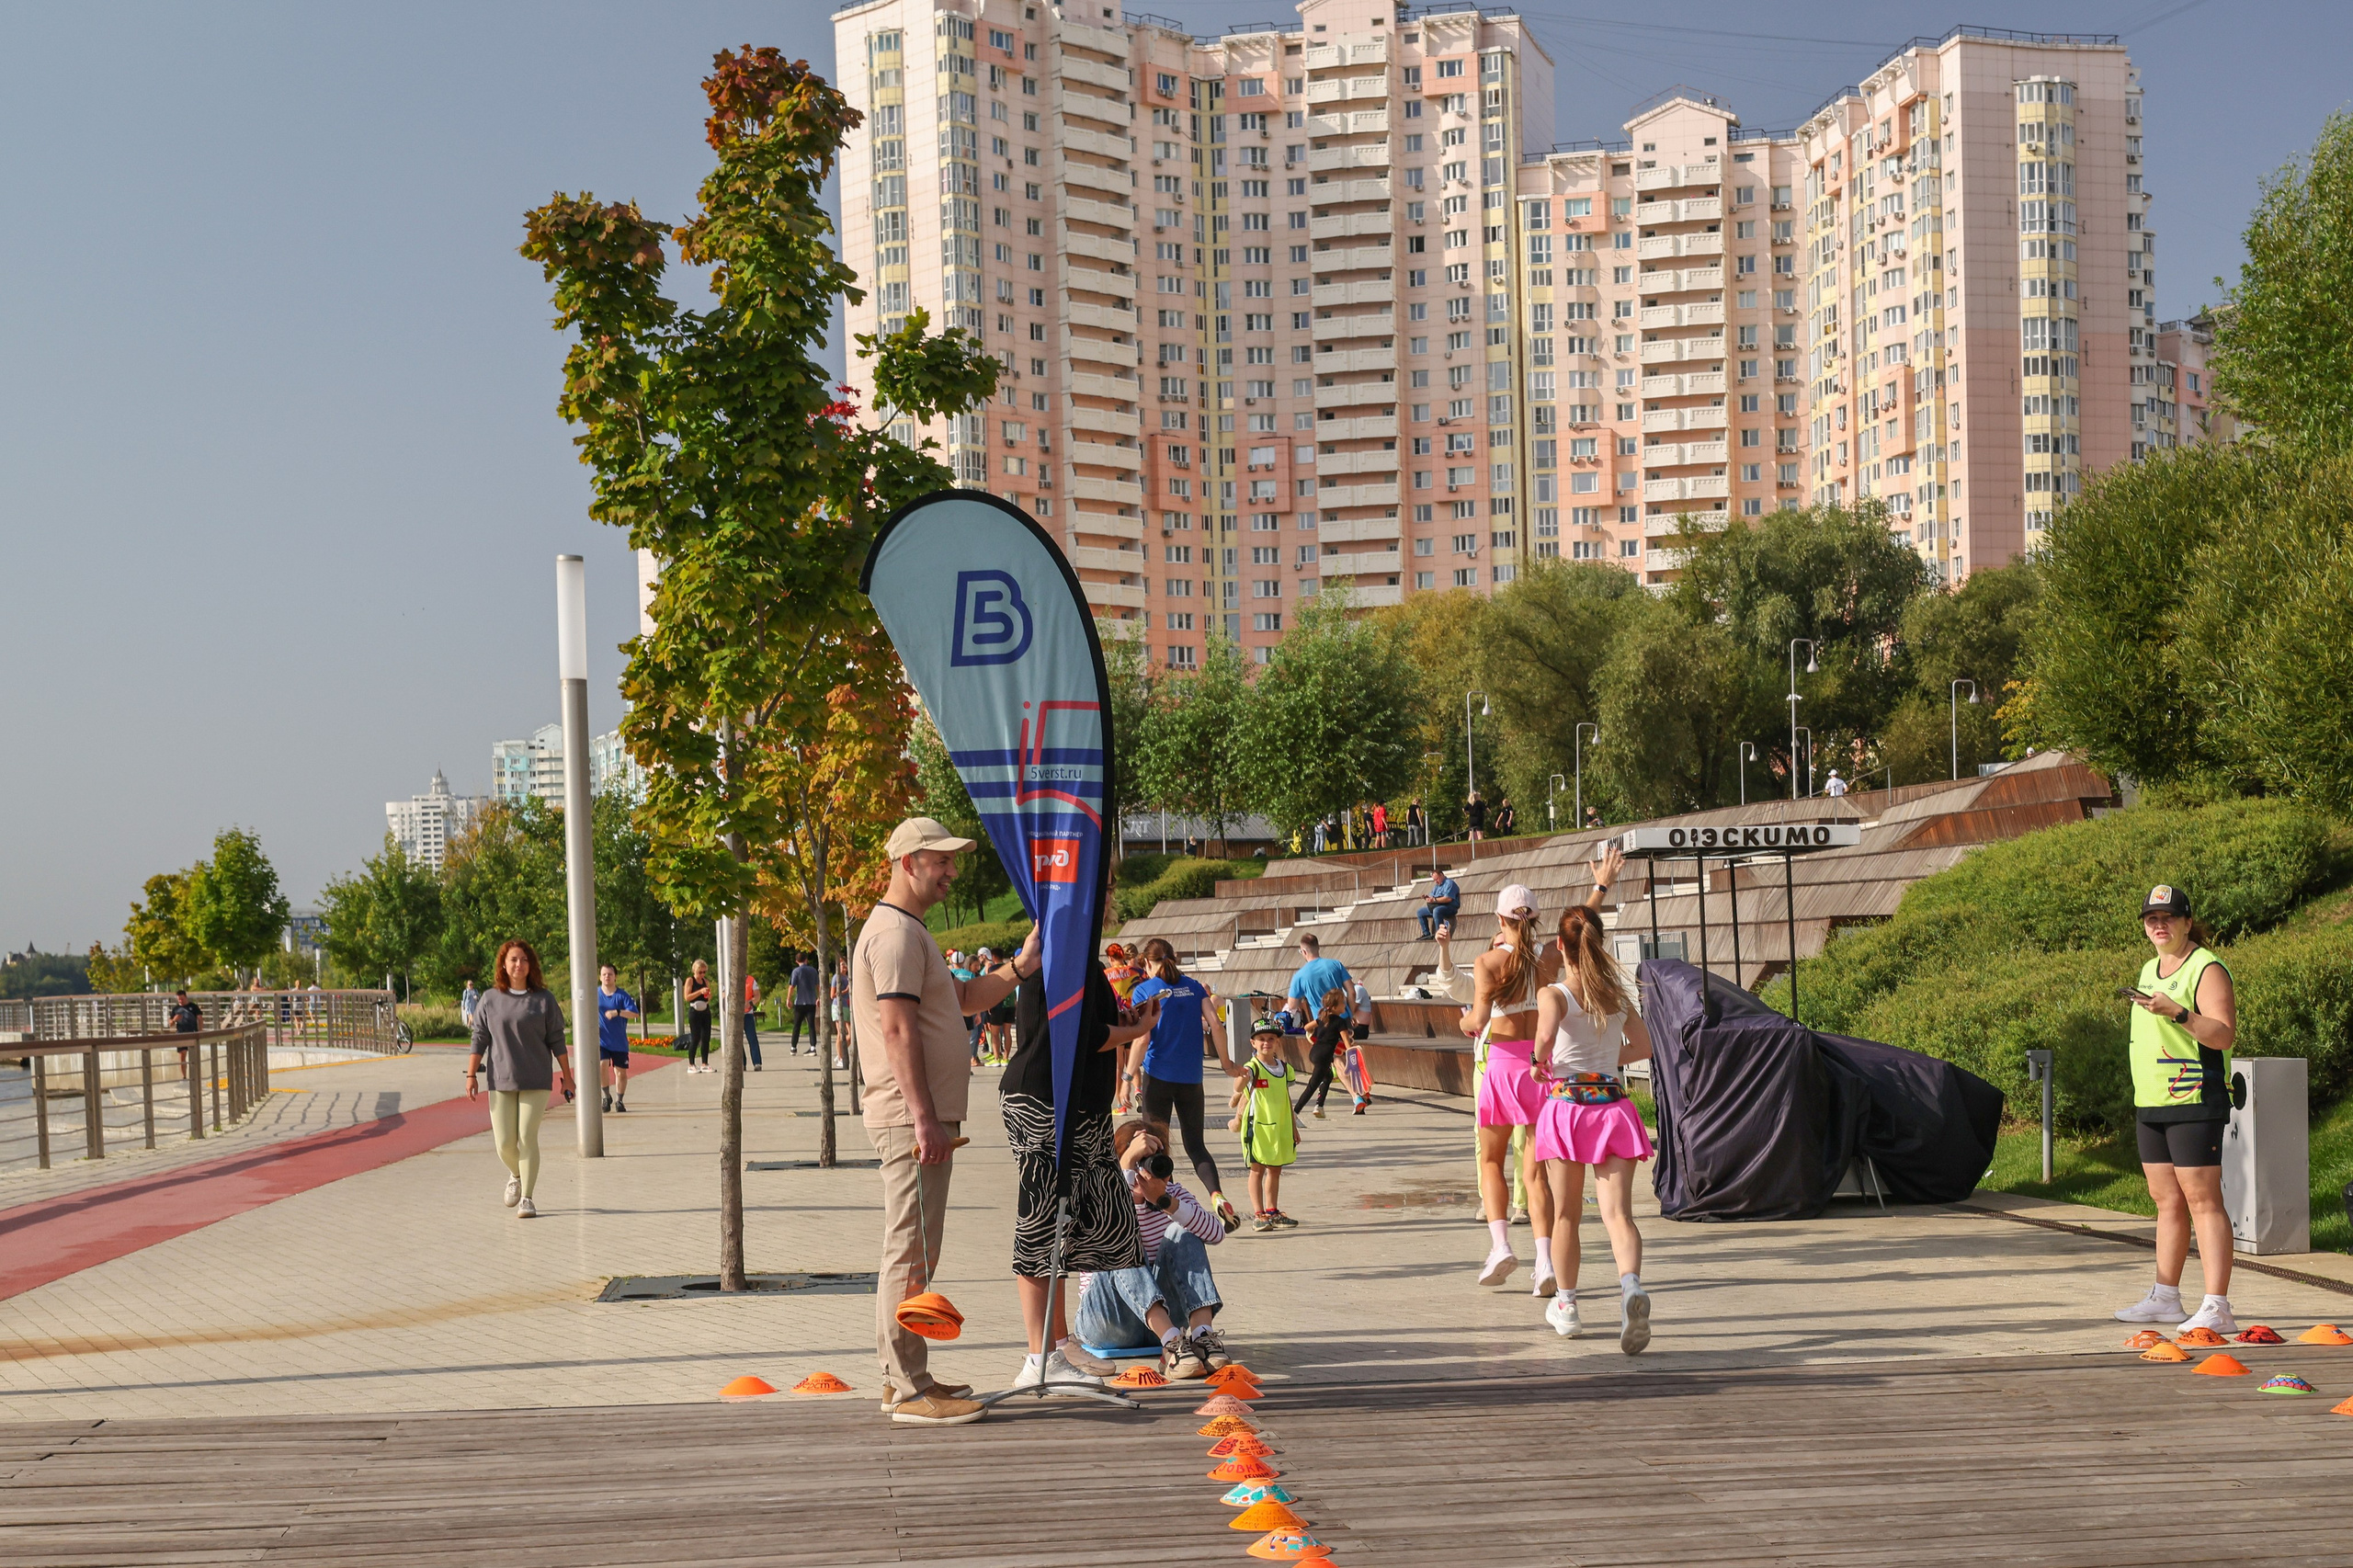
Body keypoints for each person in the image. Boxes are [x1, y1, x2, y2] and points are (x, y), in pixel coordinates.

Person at [854, 816, 1039, 1426]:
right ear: (908, 862)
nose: (953, 873)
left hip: (920, 1119)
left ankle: (906, 1375)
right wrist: (924, 1118)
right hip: (912, 1122)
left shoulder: (910, 932)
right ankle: (907, 1389)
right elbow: (898, 1028)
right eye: (942, 862)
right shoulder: (897, 935)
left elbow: (961, 1002)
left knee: (916, 1251)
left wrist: (1019, 967)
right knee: (909, 1252)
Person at [1005, 942, 1158, 1395]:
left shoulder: (1080, 958)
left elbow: (1092, 1028)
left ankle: (1057, 1345)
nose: (1106, 893)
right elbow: (1081, 1034)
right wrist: (1140, 1029)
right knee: (1042, 1224)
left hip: (1079, 1107)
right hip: (1043, 1103)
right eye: (1102, 884)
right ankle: (1040, 1358)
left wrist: (1125, 1024)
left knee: (1075, 1225)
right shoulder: (1059, 957)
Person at [2115, 883, 2242, 1336]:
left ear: (2188, 922)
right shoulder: (2150, 968)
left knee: (2203, 1200)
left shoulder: (2206, 968)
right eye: (2152, 918)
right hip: (2151, 1100)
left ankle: (2217, 1304)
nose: (2160, 925)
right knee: (2165, 1200)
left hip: (2193, 1098)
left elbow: (2222, 1035)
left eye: (2169, 917)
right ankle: (2165, 1296)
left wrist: (2180, 1014)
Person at [1529, 904, 1655, 1351]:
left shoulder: (1554, 994)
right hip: (1613, 1107)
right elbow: (1642, 1046)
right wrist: (1602, 1065)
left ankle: (1567, 1306)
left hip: (1567, 1107)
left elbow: (1544, 1038)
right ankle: (1630, 1288)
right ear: (1598, 944)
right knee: (1619, 1215)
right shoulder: (1616, 996)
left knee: (1566, 1215)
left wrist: (1539, 1063)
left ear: (1560, 945)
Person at [1074, 1121, 1233, 1379]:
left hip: (1161, 1323)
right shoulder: (1103, 1195)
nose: (1149, 1169)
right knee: (1121, 1237)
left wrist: (1166, 1202)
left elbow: (1216, 1233)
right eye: (1141, 1161)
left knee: (1184, 1233)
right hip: (1106, 1323)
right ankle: (1172, 1344)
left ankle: (1203, 1337)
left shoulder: (1171, 1193)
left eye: (1157, 1160)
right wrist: (1123, 1174)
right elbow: (1095, 1241)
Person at [1128, 937, 1245, 1230]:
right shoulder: (1194, 987)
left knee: (1154, 1145)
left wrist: (1127, 1077)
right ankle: (1217, 1195)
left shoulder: (1144, 990)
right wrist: (1227, 1064)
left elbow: (1142, 1038)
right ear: (1174, 957)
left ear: (1146, 962)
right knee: (1196, 1146)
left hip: (1158, 1077)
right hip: (1192, 1079)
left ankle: (1162, 1205)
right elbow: (1216, 1025)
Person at [466, 939, 573, 1219]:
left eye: (524, 960)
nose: (518, 964)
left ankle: (527, 1198)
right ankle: (516, 1174)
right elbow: (479, 1037)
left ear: (531, 965)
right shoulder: (490, 999)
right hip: (500, 1079)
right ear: (504, 964)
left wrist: (567, 1076)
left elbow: (557, 1039)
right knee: (504, 1143)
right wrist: (470, 1074)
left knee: (527, 1136)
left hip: (536, 1077)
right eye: (513, 959)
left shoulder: (544, 999)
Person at [1233, 1016, 1302, 1231]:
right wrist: (1242, 1078)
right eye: (1261, 1039)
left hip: (1280, 1127)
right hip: (1258, 1126)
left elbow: (1287, 1098)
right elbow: (1238, 1086)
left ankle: (1272, 1211)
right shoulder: (1253, 1067)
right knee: (1257, 1169)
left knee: (1275, 1169)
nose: (1266, 1043)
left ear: (1278, 1042)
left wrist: (1293, 1127)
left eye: (1271, 1038)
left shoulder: (1284, 1068)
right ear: (1253, 1043)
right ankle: (1258, 1214)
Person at [1292, 988, 1352, 1120]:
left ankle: (1319, 1106)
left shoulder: (1322, 1018)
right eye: (1343, 1003)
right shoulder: (1340, 1022)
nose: (1345, 1005)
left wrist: (1314, 1035)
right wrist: (1354, 1055)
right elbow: (1347, 1044)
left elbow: (1307, 1027)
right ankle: (1294, 1113)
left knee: (1328, 1076)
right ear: (1335, 1007)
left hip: (1314, 1052)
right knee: (1312, 1085)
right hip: (1324, 1056)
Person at [1282, 932, 1352, 1029]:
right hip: (1344, 1018)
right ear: (1318, 948)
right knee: (1348, 1044)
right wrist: (1351, 1014)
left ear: (1304, 951)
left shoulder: (1299, 976)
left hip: (1322, 1022)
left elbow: (1292, 1005)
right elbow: (1352, 992)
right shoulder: (1336, 964)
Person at [596, 963, 639, 1113]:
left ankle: (619, 1100)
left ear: (615, 977)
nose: (607, 977)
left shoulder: (622, 995)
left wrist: (618, 1012)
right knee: (602, 1065)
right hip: (601, 1040)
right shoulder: (595, 994)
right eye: (604, 974)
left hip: (619, 1041)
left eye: (610, 974)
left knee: (620, 1072)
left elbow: (634, 1014)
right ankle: (606, 1097)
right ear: (600, 976)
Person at [1344, 975, 1375, 1114]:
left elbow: (1351, 1010)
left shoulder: (1358, 990)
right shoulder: (1351, 991)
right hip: (1355, 1028)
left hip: (1360, 1029)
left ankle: (1361, 1093)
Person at [682, 960, 713, 1074]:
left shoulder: (706, 981)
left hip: (705, 1010)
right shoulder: (690, 980)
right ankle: (691, 1064)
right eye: (700, 972)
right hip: (694, 1010)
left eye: (704, 972)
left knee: (706, 1037)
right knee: (696, 1037)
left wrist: (708, 996)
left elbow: (708, 998)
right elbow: (687, 997)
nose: (702, 975)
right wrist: (700, 992)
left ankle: (705, 1063)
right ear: (695, 971)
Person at [789, 951, 819, 1055]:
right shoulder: (813, 971)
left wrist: (788, 999)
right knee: (811, 1025)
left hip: (800, 1002)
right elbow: (818, 986)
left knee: (797, 1025)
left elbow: (792, 986)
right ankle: (813, 1047)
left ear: (797, 961)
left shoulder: (796, 971)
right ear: (806, 960)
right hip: (811, 1001)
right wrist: (819, 997)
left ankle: (793, 1047)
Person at [1417, 869, 1461, 940]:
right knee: (1420, 912)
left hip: (1450, 907)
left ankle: (1440, 934)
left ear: (1441, 875)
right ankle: (1426, 934)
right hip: (1438, 906)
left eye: (1437, 879)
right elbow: (1432, 897)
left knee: (1437, 911)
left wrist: (1434, 900)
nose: (1436, 881)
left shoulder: (1450, 883)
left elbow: (1448, 899)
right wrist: (1427, 898)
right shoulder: (1437, 886)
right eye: (1434, 880)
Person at [167, 987, 202, 1072]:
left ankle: (195, 1075)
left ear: (186, 997)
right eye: (179, 1000)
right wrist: (174, 1020)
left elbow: (200, 1018)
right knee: (182, 1056)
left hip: (192, 1033)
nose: (181, 1001)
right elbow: (171, 1024)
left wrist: (200, 1031)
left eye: (182, 999)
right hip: (181, 1034)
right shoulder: (175, 1009)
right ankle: (184, 1077)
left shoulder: (193, 1006)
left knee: (194, 1057)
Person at [830, 957, 852, 1069]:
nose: (845, 967)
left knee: (851, 1034)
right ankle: (840, 1057)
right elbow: (832, 995)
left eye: (846, 965)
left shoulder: (848, 978)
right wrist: (845, 991)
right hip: (837, 1006)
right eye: (843, 965)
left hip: (847, 1006)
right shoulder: (836, 978)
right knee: (841, 1033)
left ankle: (841, 1053)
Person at [742, 970, 764, 1072]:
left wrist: (750, 1003)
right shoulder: (730, 980)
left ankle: (757, 1062)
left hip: (747, 1014)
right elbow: (724, 995)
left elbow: (757, 995)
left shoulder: (751, 980)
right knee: (737, 1040)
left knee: (752, 1038)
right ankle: (741, 1063)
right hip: (735, 1015)